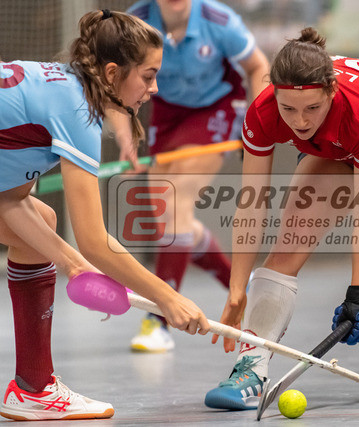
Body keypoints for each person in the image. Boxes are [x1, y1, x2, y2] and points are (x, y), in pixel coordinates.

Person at [204, 27, 359, 410]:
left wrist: (358, 292)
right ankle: (250, 369)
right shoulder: (262, 112)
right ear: (274, 94)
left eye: (312, 108)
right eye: (289, 109)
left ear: (332, 92)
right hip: (336, 150)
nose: (300, 121)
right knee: (286, 249)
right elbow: (251, 205)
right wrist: (237, 291)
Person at [0, 10, 210, 421]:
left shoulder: (57, 87)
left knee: (41, 223)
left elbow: (9, 201)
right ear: (112, 73)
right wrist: (167, 299)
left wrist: (72, 265)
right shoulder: (76, 112)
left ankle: (33, 389)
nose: (154, 88)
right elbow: (95, 242)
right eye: (148, 76)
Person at [126, 0, 269, 353]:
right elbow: (118, 81)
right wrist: (127, 134)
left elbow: (257, 66)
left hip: (215, 108)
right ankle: (242, 285)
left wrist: (256, 126)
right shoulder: (136, 22)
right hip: (167, 112)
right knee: (170, 218)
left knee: (176, 203)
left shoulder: (219, 21)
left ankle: (159, 320)